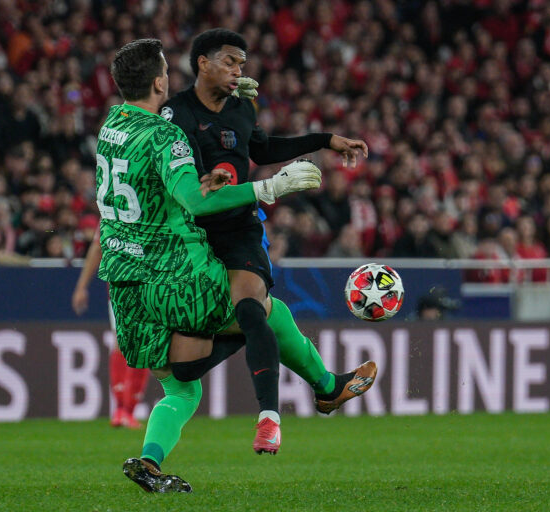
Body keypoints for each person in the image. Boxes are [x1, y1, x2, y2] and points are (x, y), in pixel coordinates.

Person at [98, 39, 371, 493]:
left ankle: (148, 461)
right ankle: (321, 387)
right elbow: (194, 204)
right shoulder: (167, 134)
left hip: (125, 286)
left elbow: (158, 187)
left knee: (181, 391)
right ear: (161, 80)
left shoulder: (112, 125)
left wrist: (206, 173)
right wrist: (268, 188)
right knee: (261, 311)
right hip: (174, 280)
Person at [161, 28, 371, 447]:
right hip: (191, 236)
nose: (240, 70)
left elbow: (264, 149)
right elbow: (180, 173)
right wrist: (208, 179)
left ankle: (270, 419)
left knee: (252, 308)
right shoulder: (176, 113)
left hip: (240, 230)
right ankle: (327, 387)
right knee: (233, 331)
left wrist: (326, 140)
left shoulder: (241, 109)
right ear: (202, 62)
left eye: (242, 63)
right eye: (231, 61)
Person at [72, 233, 149, 429]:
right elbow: (97, 247)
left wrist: (82, 286)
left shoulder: (111, 206)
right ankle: (126, 410)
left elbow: (97, 247)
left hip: (121, 281)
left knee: (123, 343)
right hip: (143, 281)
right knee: (140, 344)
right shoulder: (150, 205)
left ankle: (122, 410)